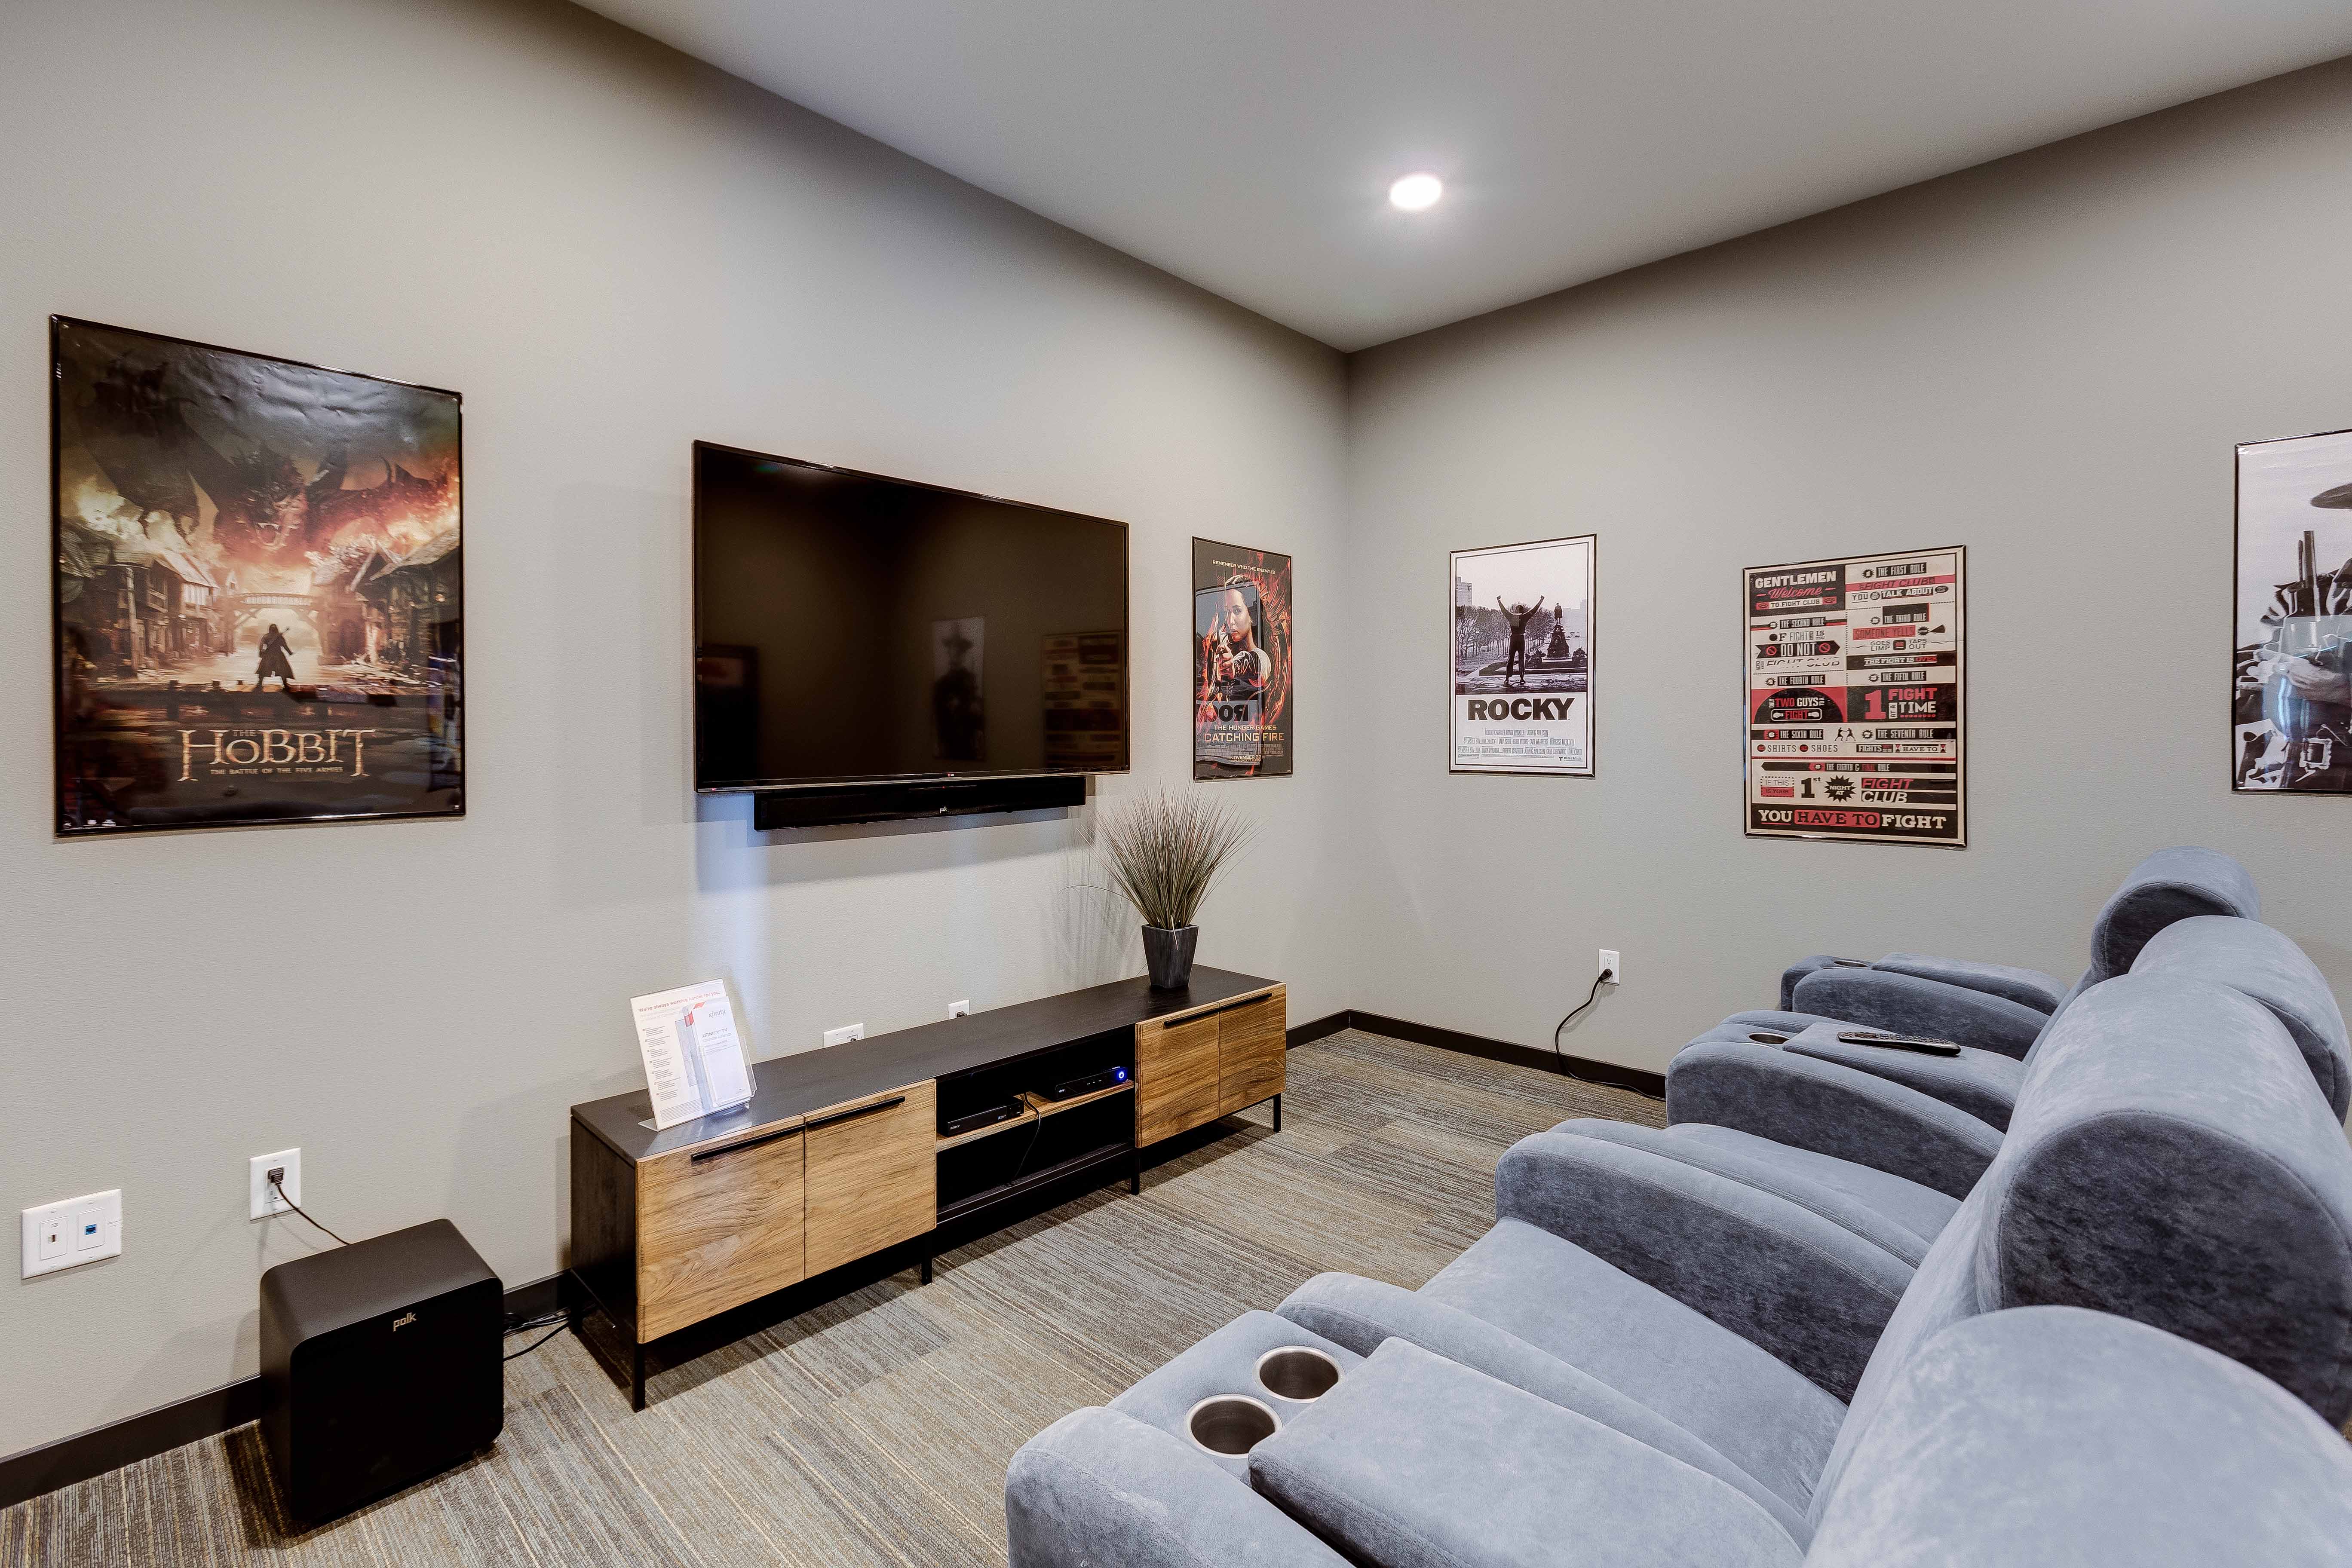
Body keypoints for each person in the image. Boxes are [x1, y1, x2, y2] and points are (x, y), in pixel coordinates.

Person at [1205, 587, 1270, 701]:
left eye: (1237, 611)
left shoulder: (1262, 658)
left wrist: (1235, 666)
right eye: (1228, 612)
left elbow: (1253, 661)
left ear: (1252, 614)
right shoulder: (1224, 641)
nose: (1231, 621)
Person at [1496, 595, 1545, 686]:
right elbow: (1535, 610)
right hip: (1521, 638)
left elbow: (1503, 610)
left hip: (1513, 638)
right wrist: (1541, 600)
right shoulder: (1525, 617)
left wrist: (1499, 601)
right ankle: (1522, 678)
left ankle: (1507, 678)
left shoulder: (1511, 616)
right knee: (1522, 658)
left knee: (1511, 658)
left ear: (1515, 610)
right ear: (1523, 611)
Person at [253, 623, 295, 692]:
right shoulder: (279, 637)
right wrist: (290, 652)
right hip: (278, 655)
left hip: (269, 655)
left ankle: (260, 684)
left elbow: (261, 646)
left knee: (263, 669)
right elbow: (285, 646)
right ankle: (285, 685)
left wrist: (262, 652)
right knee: (282, 670)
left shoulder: (266, 637)